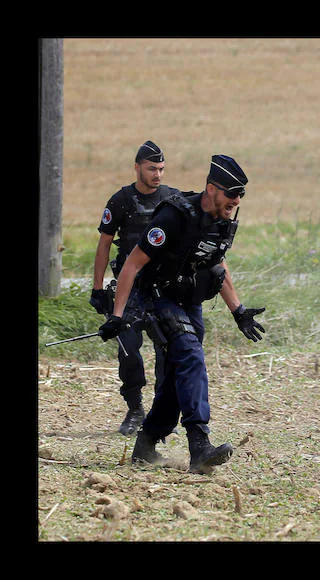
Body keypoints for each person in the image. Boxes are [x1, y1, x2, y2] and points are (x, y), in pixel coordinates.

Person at [98, 155, 267, 474]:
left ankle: (146, 442)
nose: (236, 201)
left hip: (189, 301)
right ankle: (199, 444)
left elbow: (217, 264)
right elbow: (133, 264)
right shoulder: (175, 216)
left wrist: (239, 310)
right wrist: (118, 315)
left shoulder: (222, 219)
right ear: (211, 188)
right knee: (191, 357)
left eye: (240, 195)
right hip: (158, 298)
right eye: (231, 193)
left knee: (178, 376)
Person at [90, 140, 180, 435]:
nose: (158, 174)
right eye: (152, 168)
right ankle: (135, 408)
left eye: (162, 169)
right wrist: (98, 288)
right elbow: (104, 246)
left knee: (168, 352)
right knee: (128, 349)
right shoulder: (120, 201)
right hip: (128, 290)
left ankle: (162, 414)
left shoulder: (173, 199)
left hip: (163, 290)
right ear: (137, 167)